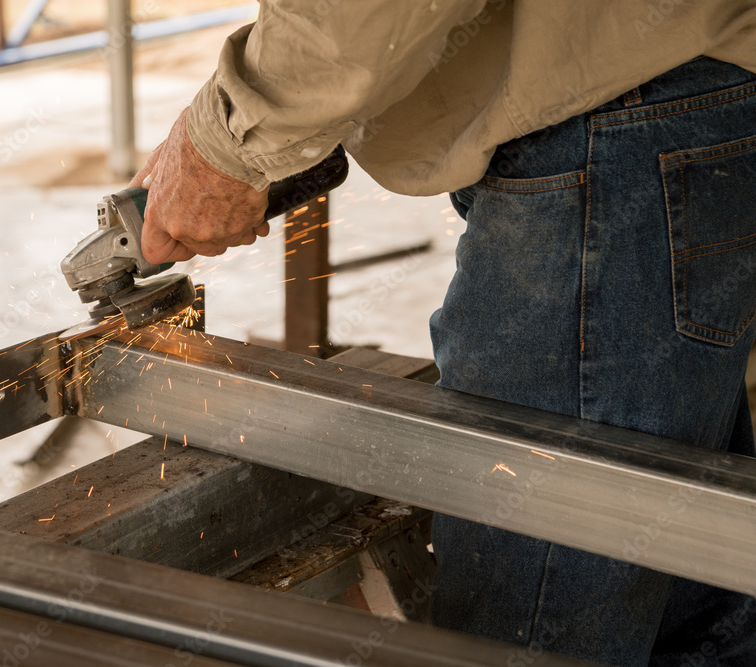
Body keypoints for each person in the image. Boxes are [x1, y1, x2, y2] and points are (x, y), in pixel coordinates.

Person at [130, 2, 756, 664]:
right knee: (685, 586)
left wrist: (226, 139)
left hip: (607, 120)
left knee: (522, 611)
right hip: (667, 96)